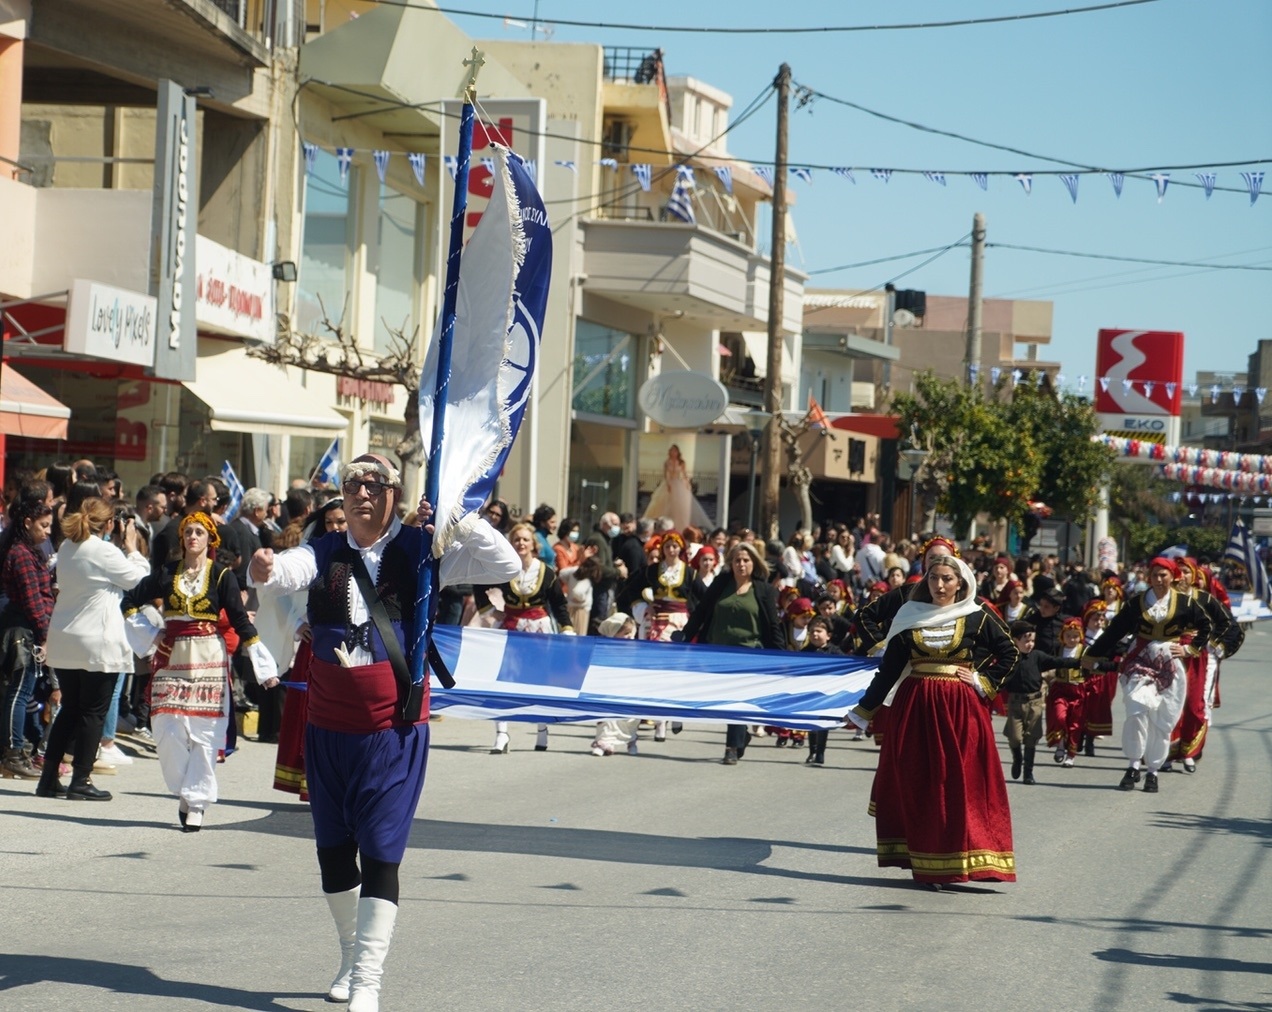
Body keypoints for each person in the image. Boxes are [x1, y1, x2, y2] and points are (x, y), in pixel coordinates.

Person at [249, 454, 519, 1010]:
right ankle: (350, 955)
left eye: (374, 484)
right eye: (352, 484)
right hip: (328, 724)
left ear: (395, 493)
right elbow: (285, 572)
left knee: (379, 852)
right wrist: (264, 568)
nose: (361, 493)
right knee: (332, 856)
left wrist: (460, 518)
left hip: (393, 726)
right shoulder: (324, 549)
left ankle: (368, 980)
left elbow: (506, 564)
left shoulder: (424, 549)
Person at [845, 553, 1019, 888]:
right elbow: (889, 671)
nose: (940, 585)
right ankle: (928, 862)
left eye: (947, 579)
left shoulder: (976, 615)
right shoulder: (909, 616)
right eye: (934, 578)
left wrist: (982, 681)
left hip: (960, 711)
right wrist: (862, 711)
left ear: (960, 583)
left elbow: (1010, 653)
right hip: (916, 709)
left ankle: (968, 858)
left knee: (960, 784)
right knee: (921, 784)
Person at [124, 512, 278, 829]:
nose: (193, 537)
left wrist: (263, 667)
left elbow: (240, 620)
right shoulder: (167, 572)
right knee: (167, 729)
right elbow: (129, 601)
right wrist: (151, 635)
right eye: (188, 532)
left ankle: (195, 800)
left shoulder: (221, 576)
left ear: (210, 539)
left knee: (205, 733)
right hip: (171, 658)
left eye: (199, 532)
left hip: (209, 658)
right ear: (182, 538)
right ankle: (187, 788)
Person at [37, 498, 149, 800]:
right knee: (93, 713)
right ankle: (81, 780)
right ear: (109, 523)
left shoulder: (67, 547)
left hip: (66, 637)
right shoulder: (104, 550)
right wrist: (132, 549)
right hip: (97, 641)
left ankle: (48, 778)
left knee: (71, 709)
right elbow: (139, 580)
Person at [1081, 557, 1211, 793]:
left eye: (1163, 575)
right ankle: (1133, 765)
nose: (1159, 580)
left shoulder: (1184, 603)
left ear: (1172, 576)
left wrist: (1190, 649)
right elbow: (1114, 631)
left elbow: (1206, 626)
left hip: (1169, 665)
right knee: (1136, 709)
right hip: (1139, 660)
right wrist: (1091, 655)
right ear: (1149, 577)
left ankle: (1153, 770)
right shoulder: (1136, 603)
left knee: (1163, 719)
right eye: (1154, 575)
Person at [678, 541, 782, 764]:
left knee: (737, 699)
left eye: (746, 560)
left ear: (754, 563)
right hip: (717, 652)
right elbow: (701, 611)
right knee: (722, 699)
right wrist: (685, 635)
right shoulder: (721, 584)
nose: (741, 564)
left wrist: (782, 656)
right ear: (731, 563)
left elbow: (773, 625)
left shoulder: (763, 590)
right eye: (737, 560)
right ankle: (741, 734)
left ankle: (731, 748)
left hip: (749, 654)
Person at [478, 521, 573, 754]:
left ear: (533, 544)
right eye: (517, 539)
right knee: (503, 680)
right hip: (510, 628)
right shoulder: (504, 567)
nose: (521, 543)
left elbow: (559, 604)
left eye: (525, 539)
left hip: (539, 631)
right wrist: (490, 611)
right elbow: (478, 584)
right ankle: (501, 734)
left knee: (539, 680)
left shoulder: (546, 572)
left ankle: (542, 729)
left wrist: (567, 629)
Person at [0, 491, 55, 779]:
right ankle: (13, 753)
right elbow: (32, 600)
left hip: (27, 628)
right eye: (44, 525)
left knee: (20, 693)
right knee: (19, 693)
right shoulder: (21, 554)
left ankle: (16, 752)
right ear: (27, 522)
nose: (48, 532)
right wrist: (45, 635)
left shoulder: (26, 551)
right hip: (24, 632)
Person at [589, 612, 641, 756]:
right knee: (607, 715)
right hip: (608, 690)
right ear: (613, 633)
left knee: (630, 718)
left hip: (629, 690)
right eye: (625, 633)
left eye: (631, 633)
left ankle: (631, 741)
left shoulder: (636, 650)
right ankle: (604, 742)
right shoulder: (602, 650)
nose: (629, 637)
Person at [641, 444, 712, 532]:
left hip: (678, 483)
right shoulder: (667, 462)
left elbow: (684, 474)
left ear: (678, 452)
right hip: (668, 483)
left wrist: (687, 484)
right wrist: (668, 484)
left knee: (681, 506)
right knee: (663, 504)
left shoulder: (681, 462)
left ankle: (681, 526)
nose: (673, 452)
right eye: (672, 450)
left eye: (675, 450)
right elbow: (666, 475)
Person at [802, 615, 842, 766]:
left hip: (828, 694)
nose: (815, 634)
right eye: (812, 631)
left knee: (823, 723)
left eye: (818, 631)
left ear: (828, 635)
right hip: (810, 694)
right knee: (812, 723)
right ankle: (812, 751)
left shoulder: (835, 652)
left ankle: (820, 753)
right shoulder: (805, 652)